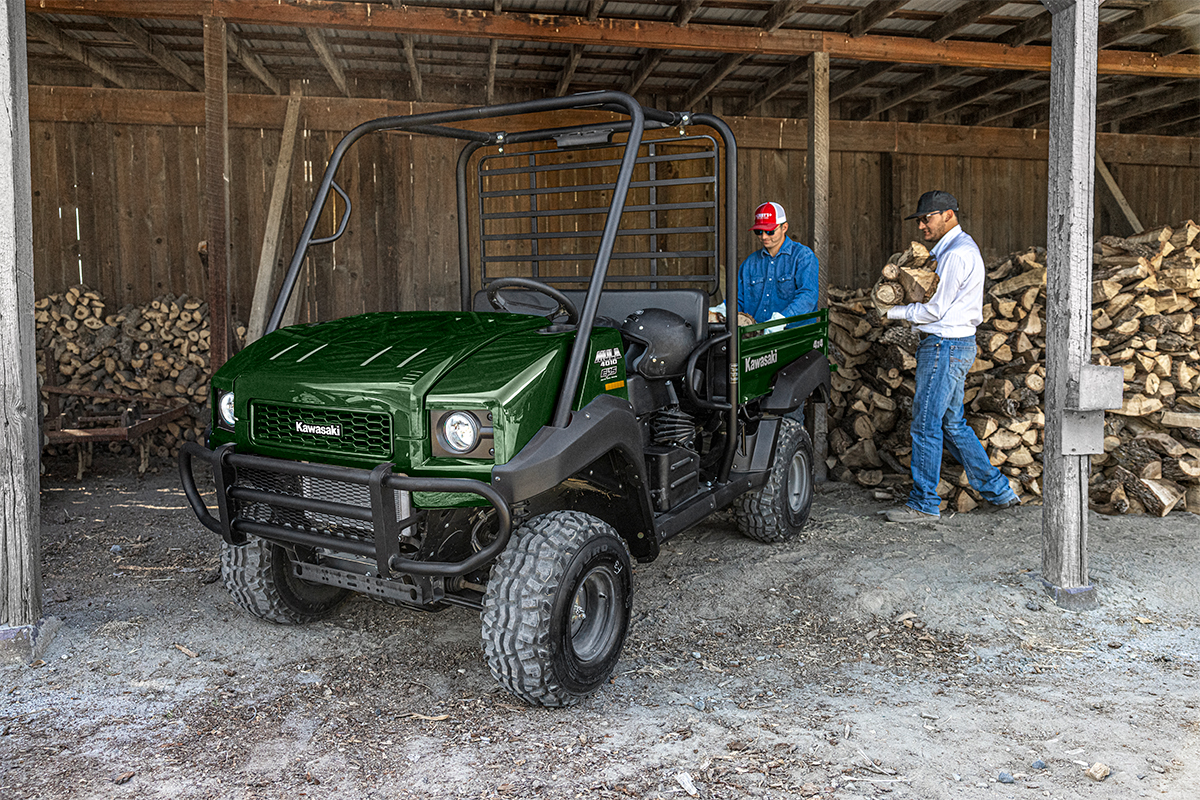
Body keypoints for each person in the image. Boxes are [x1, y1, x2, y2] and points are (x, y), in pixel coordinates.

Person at [876, 190, 1020, 523]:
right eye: (920, 220)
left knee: (926, 425)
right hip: (953, 344)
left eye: (928, 218)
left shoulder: (956, 254)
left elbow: (936, 309)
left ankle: (924, 503)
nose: (922, 225)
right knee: (952, 425)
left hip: (944, 345)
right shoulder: (951, 251)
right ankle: (999, 491)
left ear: (949, 215)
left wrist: (893, 311)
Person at [709, 202, 819, 329]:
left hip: (793, 334)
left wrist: (782, 319)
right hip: (756, 334)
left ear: (784, 227)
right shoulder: (750, 263)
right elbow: (739, 299)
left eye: (770, 231)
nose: (764, 236)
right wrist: (722, 310)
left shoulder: (803, 257)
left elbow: (808, 295)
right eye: (759, 231)